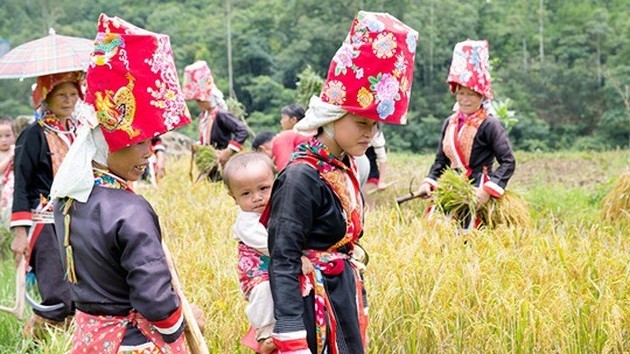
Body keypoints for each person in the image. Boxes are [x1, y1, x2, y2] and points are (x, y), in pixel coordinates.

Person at [263, 11, 418, 354]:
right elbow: (283, 258)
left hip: (341, 294)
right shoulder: (302, 176)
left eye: (375, 126)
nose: (370, 133)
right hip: (310, 307)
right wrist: (291, 336)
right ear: (334, 117)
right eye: (362, 123)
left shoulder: (348, 166)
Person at [49, 14, 194, 353]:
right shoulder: (129, 209)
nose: (149, 153)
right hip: (131, 341)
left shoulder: (67, 198)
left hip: (89, 339)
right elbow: (155, 299)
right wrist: (182, 322)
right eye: (141, 141)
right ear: (108, 140)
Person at [9, 70, 85, 337]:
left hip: (78, 222)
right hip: (46, 225)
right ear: (46, 97)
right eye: (61, 95)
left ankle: (64, 343)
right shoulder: (33, 135)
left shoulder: (80, 133)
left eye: (73, 94)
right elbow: (22, 185)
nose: (68, 100)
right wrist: (20, 234)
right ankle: (31, 343)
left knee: (80, 295)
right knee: (57, 296)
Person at [415, 39, 516, 229]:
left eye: (471, 94)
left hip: (478, 190)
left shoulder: (490, 124)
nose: (465, 99)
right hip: (452, 187)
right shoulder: (450, 123)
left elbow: (508, 161)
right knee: (436, 231)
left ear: (482, 96)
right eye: (461, 93)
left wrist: (488, 191)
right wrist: (428, 183)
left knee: (470, 234)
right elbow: (441, 162)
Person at [182, 60, 248, 166]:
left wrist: (229, 151)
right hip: (212, 164)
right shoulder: (204, 116)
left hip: (224, 164)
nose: (198, 104)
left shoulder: (221, 115)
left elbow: (242, 130)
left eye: (200, 101)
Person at [270, 103, 313, 171]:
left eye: (283, 117)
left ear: (293, 120)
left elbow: (283, 167)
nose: (281, 121)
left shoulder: (286, 137)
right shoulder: (314, 133)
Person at [361, 130, 390, 208]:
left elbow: (383, 160)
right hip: (353, 174)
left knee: (367, 206)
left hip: (370, 175)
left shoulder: (376, 134)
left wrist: (381, 181)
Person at [0, 116, 16, 230]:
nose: (4, 140)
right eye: (0, 136)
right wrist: (9, 158)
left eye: (7, 135)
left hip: (12, 190)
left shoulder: (15, 148)